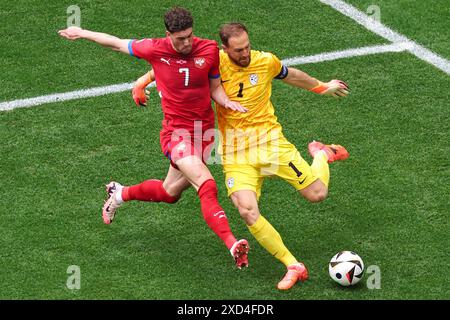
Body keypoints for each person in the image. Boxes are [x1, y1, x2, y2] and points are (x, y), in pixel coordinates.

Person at [133, 23, 350, 289]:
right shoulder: (214, 61)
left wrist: (321, 87)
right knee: (247, 210)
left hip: (271, 145)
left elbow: (291, 75)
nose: (245, 53)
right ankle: (293, 265)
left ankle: (322, 155)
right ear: (225, 49)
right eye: (238, 50)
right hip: (236, 152)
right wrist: (143, 81)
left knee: (317, 194)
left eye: (247, 46)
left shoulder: (265, 61)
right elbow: (172, 66)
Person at [58, 8, 250, 269]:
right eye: (180, 38)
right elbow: (115, 43)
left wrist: (227, 102)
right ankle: (232, 244)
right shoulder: (154, 49)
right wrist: (81, 32)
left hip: (204, 133)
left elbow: (215, 87)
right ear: (168, 35)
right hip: (177, 135)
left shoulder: (208, 49)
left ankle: (119, 194)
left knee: (169, 193)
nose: (186, 43)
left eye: (189, 36)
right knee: (207, 185)